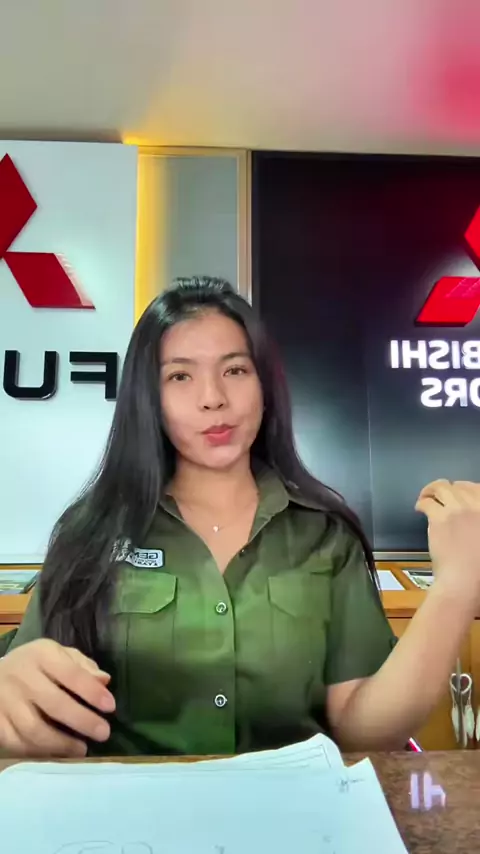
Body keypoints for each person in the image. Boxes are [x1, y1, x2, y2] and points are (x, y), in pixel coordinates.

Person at [1, 276, 479, 759]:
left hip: (292, 803)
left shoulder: (325, 535)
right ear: (149, 399)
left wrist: (456, 587)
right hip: (129, 805)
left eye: (234, 370)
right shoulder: (91, 533)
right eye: (180, 376)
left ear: (264, 386)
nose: (213, 397)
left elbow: (364, 734)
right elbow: (29, 701)